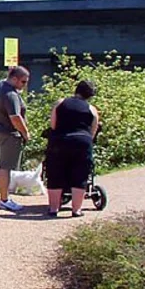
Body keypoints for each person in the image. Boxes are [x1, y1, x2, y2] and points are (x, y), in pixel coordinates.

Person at [44, 80, 100, 217]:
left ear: (76, 90)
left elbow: (53, 125)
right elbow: (93, 130)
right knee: (80, 174)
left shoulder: (60, 103)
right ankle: (76, 210)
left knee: (55, 173)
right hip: (82, 142)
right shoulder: (91, 109)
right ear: (89, 96)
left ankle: (53, 209)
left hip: (59, 141)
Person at [0, 65, 31, 212]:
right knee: (5, 167)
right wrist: (25, 133)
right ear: (14, 79)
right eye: (23, 82)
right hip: (8, 135)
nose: (24, 86)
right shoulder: (11, 95)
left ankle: (4, 197)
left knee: (3, 166)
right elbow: (15, 118)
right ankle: (4, 200)